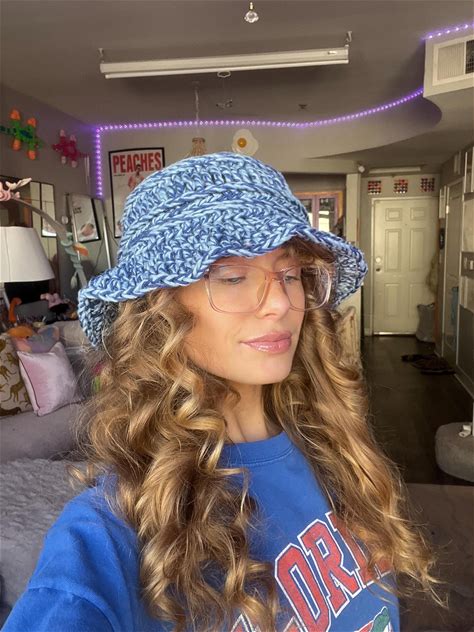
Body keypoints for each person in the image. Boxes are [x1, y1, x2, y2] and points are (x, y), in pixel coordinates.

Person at [3, 153, 440, 632]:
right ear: (159, 311)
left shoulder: (332, 445)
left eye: (290, 274)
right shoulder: (111, 533)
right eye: (232, 277)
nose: (280, 302)